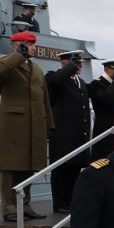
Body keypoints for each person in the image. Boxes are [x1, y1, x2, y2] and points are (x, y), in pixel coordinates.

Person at [0, 31, 54, 221]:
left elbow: (44, 98)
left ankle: (25, 204)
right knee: (10, 167)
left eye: (33, 44)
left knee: (29, 166)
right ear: (18, 45)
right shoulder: (7, 63)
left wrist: (49, 124)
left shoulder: (36, 68)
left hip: (35, 125)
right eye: (30, 45)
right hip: (13, 125)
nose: (34, 48)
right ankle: (9, 208)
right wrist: (17, 55)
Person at [45, 50, 92, 213]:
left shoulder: (81, 83)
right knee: (61, 170)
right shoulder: (54, 77)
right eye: (75, 63)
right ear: (65, 63)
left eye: (79, 63)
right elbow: (55, 82)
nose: (79, 66)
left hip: (78, 135)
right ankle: (60, 203)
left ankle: (71, 201)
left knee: (74, 170)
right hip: (62, 135)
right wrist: (70, 68)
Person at [88, 59, 114, 159]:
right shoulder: (96, 84)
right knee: (103, 160)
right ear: (106, 69)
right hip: (104, 131)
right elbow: (106, 99)